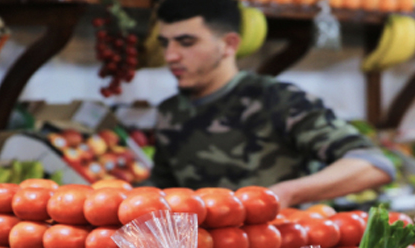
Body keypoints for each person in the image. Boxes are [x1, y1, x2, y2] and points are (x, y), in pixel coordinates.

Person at [149, 0, 395, 208]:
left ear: (229, 44)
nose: (171, 56)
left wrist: (287, 193)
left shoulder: (277, 99)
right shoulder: (169, 112)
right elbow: (160, 190)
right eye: (165, 43)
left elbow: (373, 164)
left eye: (186, 42)